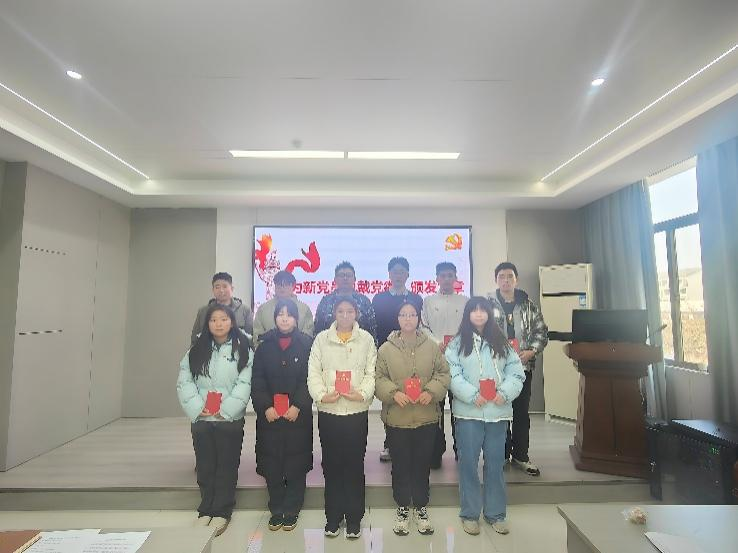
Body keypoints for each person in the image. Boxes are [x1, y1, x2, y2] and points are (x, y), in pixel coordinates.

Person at [445, 297, 525, 537]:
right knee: (468, 464)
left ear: (490, 314)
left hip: (498, 414)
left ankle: (496, 514)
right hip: (469, 413)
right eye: (474, 310)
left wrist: (505, 393)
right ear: (467, 315)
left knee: (495, 465)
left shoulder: (502, 342)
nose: (479, 314)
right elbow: (452, 375)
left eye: (483, 310)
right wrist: (472, 395)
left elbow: (516, 373)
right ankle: (470, 514)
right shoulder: (457, 343)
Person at [177, 304, 252, 537]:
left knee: (226, 465)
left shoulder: (243, 348)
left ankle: (222, 510)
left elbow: (245, 382)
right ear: (207, 324)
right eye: (213, 320)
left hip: (229, 419)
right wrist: (197, 408)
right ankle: (206, 508)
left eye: (223, 319)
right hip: (202, 417)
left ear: (232, 322)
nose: (219, 324)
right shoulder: (196, 349)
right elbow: (185, 380)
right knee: (205, 464)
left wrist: (227, 410)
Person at [375, 302, 450, 536]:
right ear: (397, 319)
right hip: (397, 418)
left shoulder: (431, 346)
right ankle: (402, 508)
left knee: (421, 464)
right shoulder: (385, 349)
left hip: (426, 417)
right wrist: (393, 393)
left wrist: (431, 392)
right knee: (400, 465)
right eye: (403, 314)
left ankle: (420, 506)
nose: (408, 318)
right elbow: (378, 378)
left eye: (412, 314)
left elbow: (443, 373)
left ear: (418, 318)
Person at [307, 298, 376, 540]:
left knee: (355, 465)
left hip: (356, 412)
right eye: (340, 311)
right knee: (332, 465)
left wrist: (363, 393)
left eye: (349, 311)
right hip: (330, 412)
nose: (345, 315)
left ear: (356, 314)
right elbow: (313, 372)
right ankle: (333, 517)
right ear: (334, 314)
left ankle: (354, 518)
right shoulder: (321, 339)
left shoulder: (366, 339)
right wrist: (321, 395)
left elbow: (371, 372)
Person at [251, 298, 314, 532]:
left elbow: (309, 379)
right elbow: (257, 381)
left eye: (289, 314)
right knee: (272, 463)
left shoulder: (307, 345)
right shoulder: (264, 346)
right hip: (270, 417)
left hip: (297, 416)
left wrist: (298, 405)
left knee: (296, 462)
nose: (285, 318)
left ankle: (293, 507)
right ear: (274, 317)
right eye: (280, 314)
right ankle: (276, 508)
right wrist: (265, 406)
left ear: (297, 319)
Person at [487, 262, 548, 476]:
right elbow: (479, 333)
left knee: (521, 413)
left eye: (509, 276)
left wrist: (531, 351)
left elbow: (541, 332)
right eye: (501, 276)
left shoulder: (529, 306)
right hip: (496, 369)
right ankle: (502, 455)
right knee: (499, 412)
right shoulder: (486, 305)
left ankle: (521, 456)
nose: (506, 280)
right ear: (496, 280)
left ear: (516, 279)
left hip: (522, 368)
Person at [372, 256, 423, 463]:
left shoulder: (417, 299)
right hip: (388, 354)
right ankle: (390, 444)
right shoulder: (379, 299)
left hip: (413, 354)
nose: (398, 275)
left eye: (402, 271)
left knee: (411, 396)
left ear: (408, 274)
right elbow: (375, 328)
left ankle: (412, 443)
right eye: (395, 272)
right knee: (391, 397)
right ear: (389, 274)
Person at [421, 261, 469, 467]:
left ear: (456, 278)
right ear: (437, 279)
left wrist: (456, 343)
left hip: (460, 361)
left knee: (460, 408)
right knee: (436, 409)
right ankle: (435, 453)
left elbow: (470, 327)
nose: (447, 279)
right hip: (436, 359)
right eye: (443, 276)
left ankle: (461, 450)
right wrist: (436, 342)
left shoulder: (465, 301)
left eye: (451, 275)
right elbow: (423, 327)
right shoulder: (428, 301)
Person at [313, 261, 378, 344]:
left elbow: (372, 331)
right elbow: (317, 330)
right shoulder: (326, 301)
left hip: (359, 348)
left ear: (354, 279)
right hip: (330, 348)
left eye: (349, 275)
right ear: (335, 279)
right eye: (341, 275)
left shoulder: (364, 302)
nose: (345, 278)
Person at [192, 272, 253, 346]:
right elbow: (195, 339)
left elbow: (250, 339)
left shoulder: (245, 310)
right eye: (217, 287)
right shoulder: (203, 311)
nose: (221, 290)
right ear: (213, 290)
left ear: (232, 288)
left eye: (225, 286)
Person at [253, 270, 315, 344]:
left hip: (298, 350)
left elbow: (308, 336)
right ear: (275, 286)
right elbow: (257, 336)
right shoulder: (263, 309)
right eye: (279, 284)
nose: (282, 288)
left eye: (286, 284)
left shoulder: (304, 309)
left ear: (292, 286)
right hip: (268, 350)